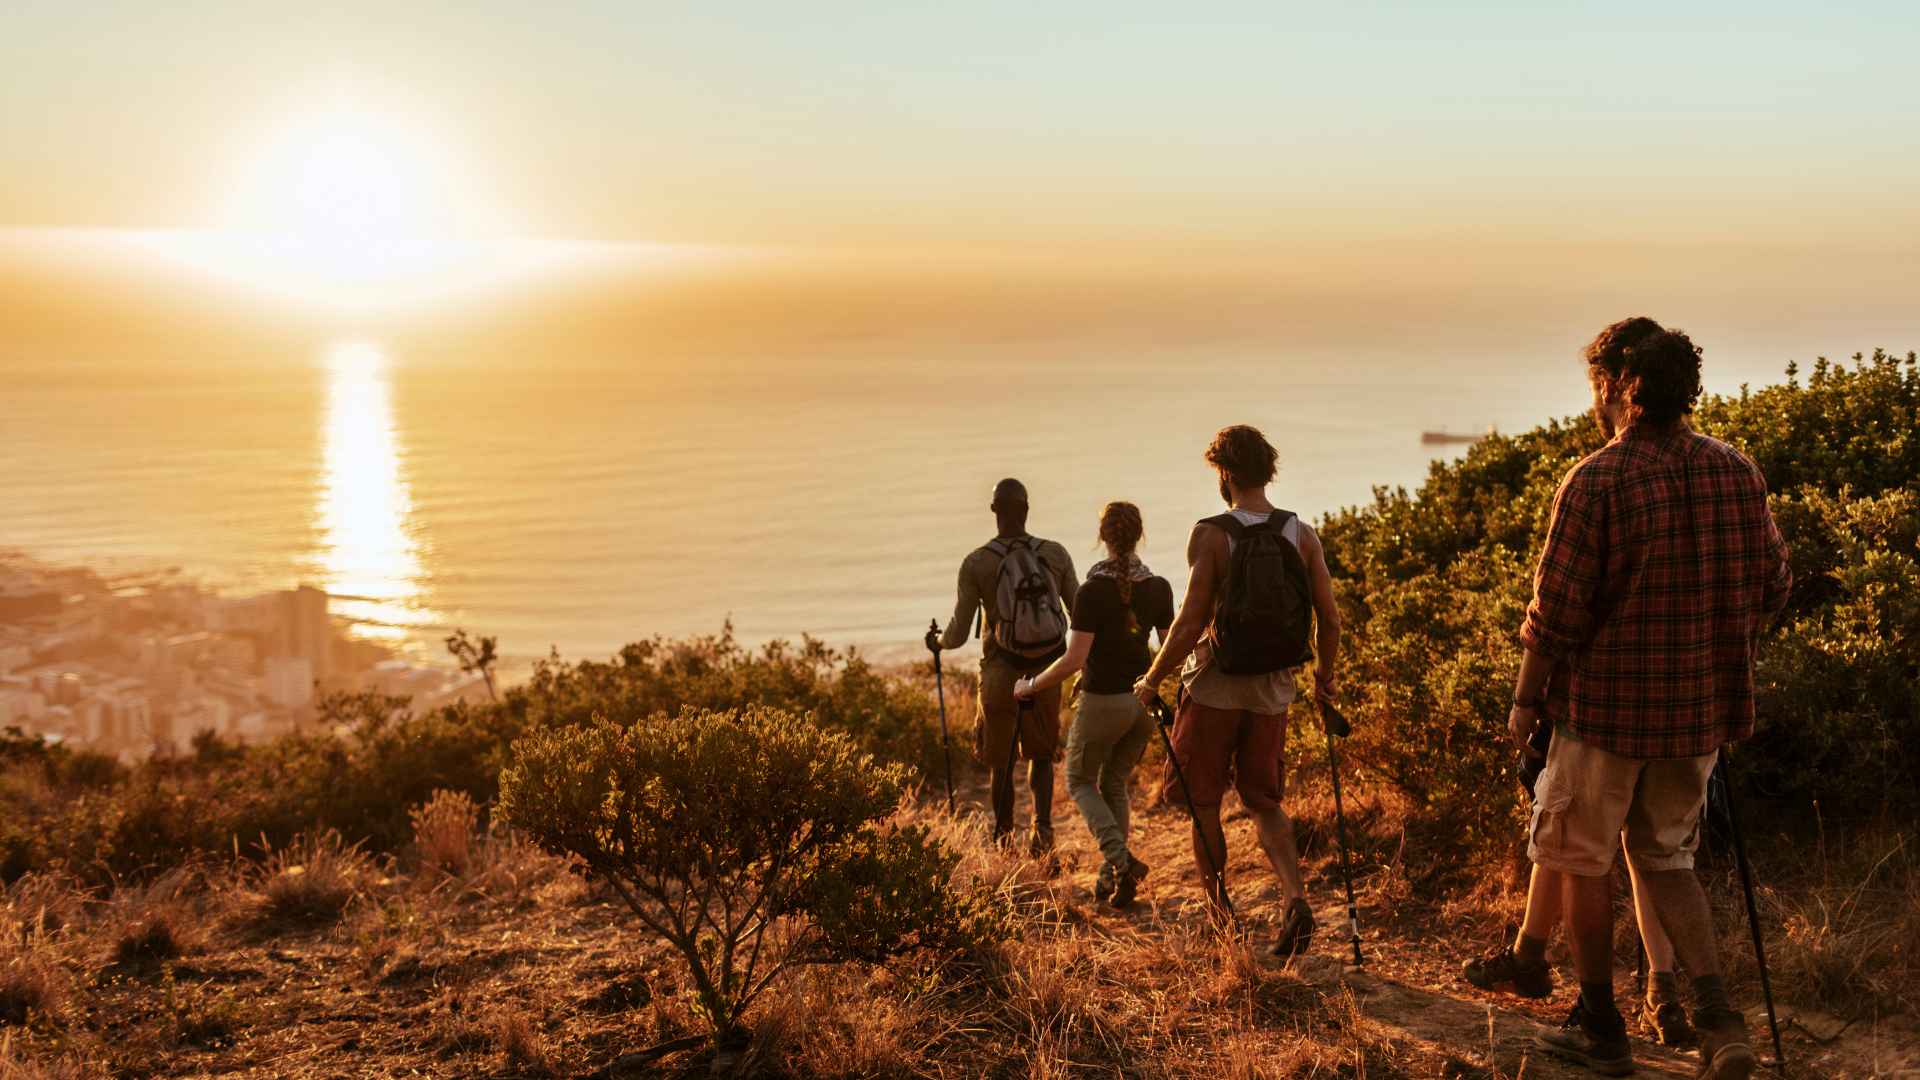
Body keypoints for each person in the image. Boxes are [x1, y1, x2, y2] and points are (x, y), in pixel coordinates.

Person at [1508, 318, 1792, 1078]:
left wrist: (1524, 704)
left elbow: (1555, 613)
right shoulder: (1737, 470)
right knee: (1667, 858)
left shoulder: (1595, 479)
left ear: (1616, 388)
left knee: (1580, 859)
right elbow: (1773, 583)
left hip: (1602, 715)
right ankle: (1720, 1022)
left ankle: (1601, 1026)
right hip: (1698, 713)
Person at [1132, 425, 1341, 955]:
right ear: (1267, 471)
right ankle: (1295, 898)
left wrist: (1152, 679)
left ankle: (1220, 912)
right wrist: (1324, 682)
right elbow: (1330, 621)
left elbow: (1188, 622)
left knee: (1204, 802)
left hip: (1215, 688)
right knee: (1264, 801)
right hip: (1273, 689)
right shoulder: (1302, 533)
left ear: (1224, 474)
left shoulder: (1211, 534)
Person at [1464, 725, 1696, 1047]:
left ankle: (1535, 964)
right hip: (1686, 724)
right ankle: (1664, 996)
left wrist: (1526, 698)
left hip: (1603, 715)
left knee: (1568, 829)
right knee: (1654, 854)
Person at [1014, 502, 1174, 907]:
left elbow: (1073, 662)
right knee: (1114, 783)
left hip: (1103, 701)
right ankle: (1112, 878)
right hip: (1143, 705)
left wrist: (1030, 684)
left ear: (1103, 536)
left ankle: (1122, 861)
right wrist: (1158, 687)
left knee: (1079, 782)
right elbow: (1172, 649)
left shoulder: (1091, 591)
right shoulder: (1159, 587)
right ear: (1140, 535)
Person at [934, 478, 1078, 852]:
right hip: (1047, 670)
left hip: (1000, 669)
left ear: (994, 511)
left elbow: (960, 631)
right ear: (1027, 510)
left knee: (1001, 760)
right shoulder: (1056, 554)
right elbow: (1079, 612)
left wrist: (937, 643)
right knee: (1041, 755)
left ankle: (1003, 839)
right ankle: (1043, 834)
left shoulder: (977, 562)